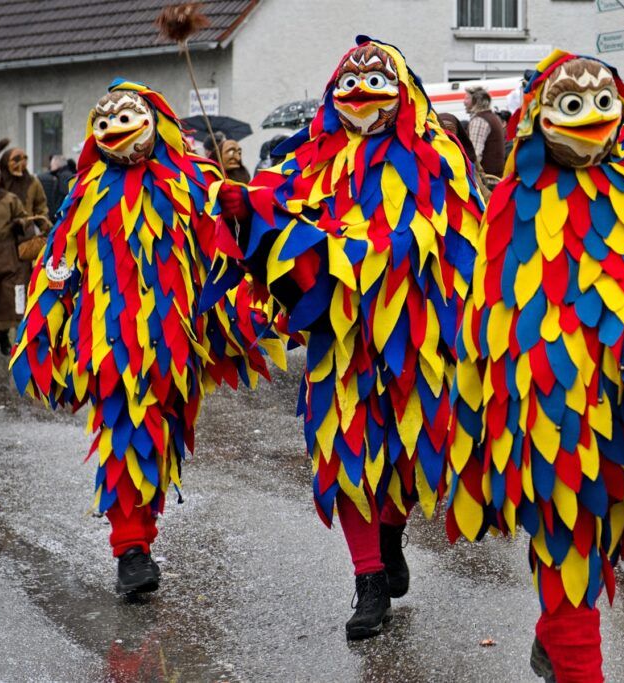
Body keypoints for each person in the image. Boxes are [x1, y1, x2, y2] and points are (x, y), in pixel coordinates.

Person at [445, 50, 624, 682]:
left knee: (601, 528)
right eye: (572, 105)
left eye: (602, 103)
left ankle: (555, 638)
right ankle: (577, 661)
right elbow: (495, 310)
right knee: (563, 528)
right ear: (540, 118)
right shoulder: (514, 203)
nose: (590, 117)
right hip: (545, 406)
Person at [218, 36, 482, 641]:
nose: (361, 93)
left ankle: (391, 532)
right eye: (350, 82)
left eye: (376, 83)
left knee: (412, 451)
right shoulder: (309, 157)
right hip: (339, 337)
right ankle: (368, 580)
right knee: (348, 453)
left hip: (417, 332)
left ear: (402, 94)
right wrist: (243, 208)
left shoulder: (437, 157)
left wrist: (364, 253)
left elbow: (454, 237)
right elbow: (274, 211)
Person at [10, 79, 279, 596]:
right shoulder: (86, 194)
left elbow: (226, 245)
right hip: (109, 340)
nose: (115, 128)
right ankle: (130, 549)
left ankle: (141, 532)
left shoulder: (191, 182)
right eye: (105, 121)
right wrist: (43, 327)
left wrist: (238, 210)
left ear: (154, 123)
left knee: (163, 435)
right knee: (123, 432)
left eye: (126, 118)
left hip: (176, 338)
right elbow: (60, 264)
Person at [0, 161, 32, 357]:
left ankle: (5, 336)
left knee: (9, 300)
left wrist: (20, 223)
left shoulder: (9, 199)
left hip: (7, 254)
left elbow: (24, 217)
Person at [463, 85, 506, 177]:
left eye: (467, 98)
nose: (464, 102)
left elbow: (475, 155)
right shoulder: (491, 117)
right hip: (494, 177)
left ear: (476, 101)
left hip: (486, 180)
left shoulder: (479, 120)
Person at [37, 154, 76, 220]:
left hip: (64, 215)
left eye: (52, 165)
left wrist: (56, 213)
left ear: (56, 165)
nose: (51, 168)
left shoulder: (63, 176)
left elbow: (62, 196)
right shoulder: (67, 174)